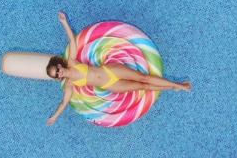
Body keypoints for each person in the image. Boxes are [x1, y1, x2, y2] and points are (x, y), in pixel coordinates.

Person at [46, 11, 191, 126]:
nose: (59, 73)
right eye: (56, 75)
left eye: (57, 70)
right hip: (111, 85)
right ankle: (173, 87)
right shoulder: (70, 84)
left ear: (59, 65)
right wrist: (55, 116)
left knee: (144, 78)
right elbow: (64, 103)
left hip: (111, 70)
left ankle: (178, 85)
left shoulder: (72, 62)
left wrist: (64, 22)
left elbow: (72, 40)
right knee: (143, 86)